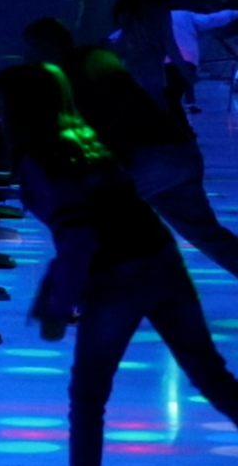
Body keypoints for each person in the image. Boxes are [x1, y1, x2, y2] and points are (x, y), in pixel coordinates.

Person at [0, 62, 238, 466]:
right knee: (210, 373)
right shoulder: (79, 132)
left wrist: (59, 306)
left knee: (88, 396)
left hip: (116, 276)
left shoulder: (37, 158)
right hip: (160, 255)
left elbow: (80, 233)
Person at [22, 16, 238, 282]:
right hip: (180, 154)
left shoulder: (74, 72)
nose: (27, 57)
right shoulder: (85, 63)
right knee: (209, 236)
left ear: (45, 47)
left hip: (152, 159)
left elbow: (105, 131)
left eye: (31, 49)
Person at [112, 0, 195, 115]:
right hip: (150, 65)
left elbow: (123, 40)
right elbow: (170, 44)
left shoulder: (132, 8)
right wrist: (185, 70)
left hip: (131, 64)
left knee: (136, 108)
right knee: (156, 108)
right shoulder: (159, 9)